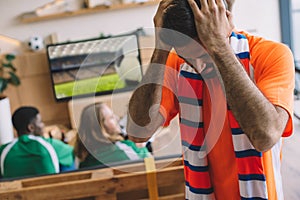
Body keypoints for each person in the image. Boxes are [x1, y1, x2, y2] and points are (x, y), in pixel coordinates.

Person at [127, 0, 295, 199]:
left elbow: (265, 136)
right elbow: (138, 132)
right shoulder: (178, 65)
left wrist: (219, 49)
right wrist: (161, 51)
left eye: (204, 54)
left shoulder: (271, 55)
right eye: (190, 58)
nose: (199, 66)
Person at [0, 106, 75, 179]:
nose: (43, 125)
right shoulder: (50, 145)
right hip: (50, 190)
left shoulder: (3, 150)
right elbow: (74, 153)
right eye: (41, 122)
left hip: (17, 191)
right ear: (31, 128)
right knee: (69, 162)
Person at [75, 102, 150, 169]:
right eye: (111, 117)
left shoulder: (83, 160)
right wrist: (142, 148)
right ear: (101, 127)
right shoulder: (124, 149)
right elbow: (150, 165)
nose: (117, 118)